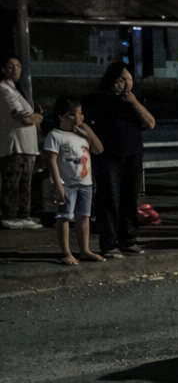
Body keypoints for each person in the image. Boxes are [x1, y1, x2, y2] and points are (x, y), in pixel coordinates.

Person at [82, 62, 155, 256]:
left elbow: (150, 123)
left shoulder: (132, 101)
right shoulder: (98, 98)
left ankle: (128, 239)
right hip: (108, 156)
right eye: (120, 79)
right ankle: (109, 243)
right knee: (109, 199)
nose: (122, 83)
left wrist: (133, 101)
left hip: (132, 154)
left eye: (127, 79)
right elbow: (86, 123)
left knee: (129, 198)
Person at [42, 97, 106, 264]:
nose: (80, 117)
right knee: (64, 216)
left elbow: (98, 149)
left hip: (85, 183)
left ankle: (84, 249)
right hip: (67, 184)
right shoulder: (55, 135)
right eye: (75, 114)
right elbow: (52, 161)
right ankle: (66, 252)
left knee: (84, 216)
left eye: (81, 114)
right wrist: (58, 184)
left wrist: (87, 130)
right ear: (63, 116)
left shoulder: (82, 135)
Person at [1, 56, 44, 229]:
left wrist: (34, 117)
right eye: (10, 66)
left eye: (18, 66)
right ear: (3, 69)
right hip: (15, 146)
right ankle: (11, 215)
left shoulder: (15, 90)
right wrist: (37, 117)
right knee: (14, 182)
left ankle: (23, 214)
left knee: (25, 183)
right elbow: (24, 117)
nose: (16, 69)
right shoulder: (4, 89)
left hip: (26, 147)